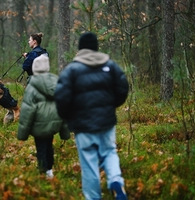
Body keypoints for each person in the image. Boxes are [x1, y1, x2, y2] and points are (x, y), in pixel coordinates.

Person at [54, 32, 129, 200]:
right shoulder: (110, 65)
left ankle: (93, 197)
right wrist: (110, 106)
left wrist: (68, 116)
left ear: (80, 48)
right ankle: (116, 180)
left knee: (89, 163)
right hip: (106, 123)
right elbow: (123, 88)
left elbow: (61, 98)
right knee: (109, 152)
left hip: (82, 126)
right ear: (96, 47)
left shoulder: (71, 70)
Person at [17, 55, 70, 178]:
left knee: (41, 148)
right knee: (48, 146)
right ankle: (50, 169)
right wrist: (65, 130)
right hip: (54, 123)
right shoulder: (56, 82)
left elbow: (27, 110)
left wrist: (22, 133)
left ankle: (43, 171)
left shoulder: (32, 86)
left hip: (38, 124)